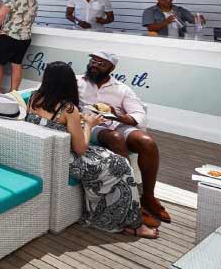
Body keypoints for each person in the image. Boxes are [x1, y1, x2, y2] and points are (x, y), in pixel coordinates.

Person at [25, 61, 157, 238]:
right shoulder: (68, 108)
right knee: (122, 165)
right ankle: (131, 223)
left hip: (46, 154)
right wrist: (89, 124)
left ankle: (117, 214)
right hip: (69, 160)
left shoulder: (34, 98)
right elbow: (80, 148)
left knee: (117, 163)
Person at [78, 51, 170, 226]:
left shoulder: (121, 89)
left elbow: (139, 115)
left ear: (111, 68)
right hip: (91, 126)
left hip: (116, 123)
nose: (95, 65)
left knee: (147, 142)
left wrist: (116, 116)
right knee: (116, 138)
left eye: (101, 63)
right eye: (93, 60)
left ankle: (148, 197)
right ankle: (131, 201)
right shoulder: (77, 82)